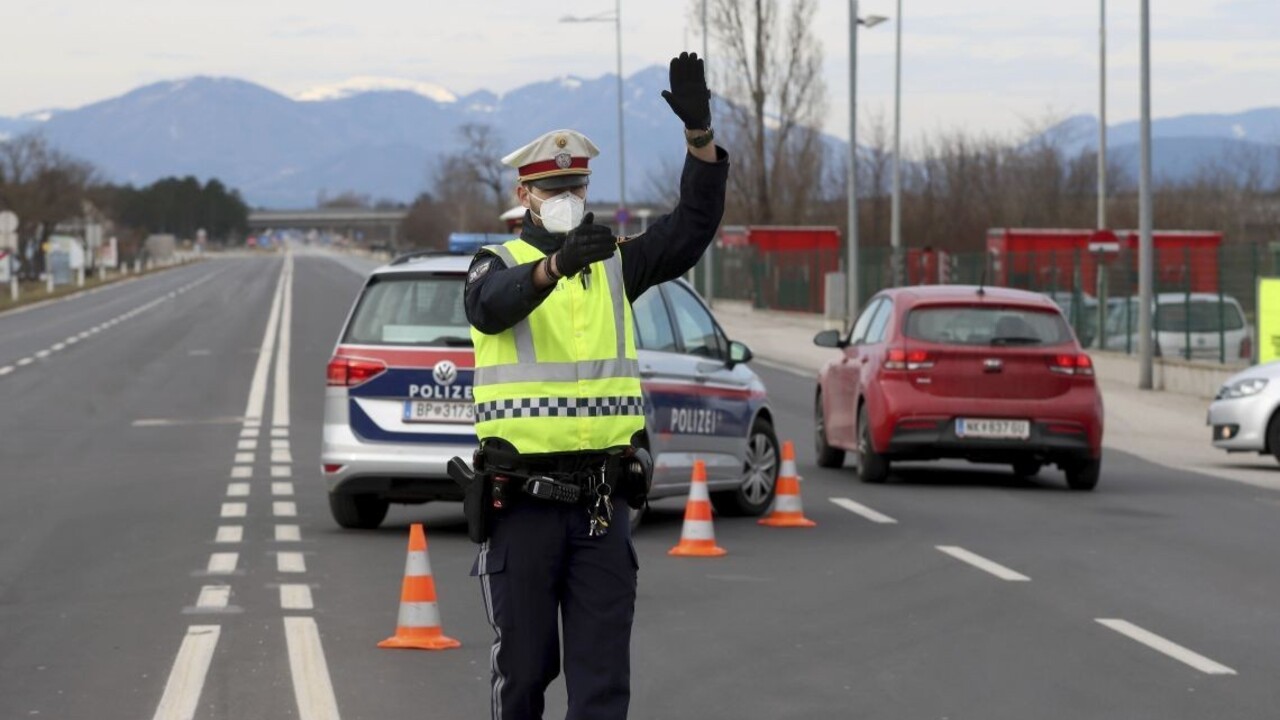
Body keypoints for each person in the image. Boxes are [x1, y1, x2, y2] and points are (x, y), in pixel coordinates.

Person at [461, 51, 727, 720]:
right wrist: (551, 268)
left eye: (575, 186)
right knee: (523, 674)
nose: (565, 198)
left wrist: (699, 139)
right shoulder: (494, 262)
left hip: (600, 508)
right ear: (524, 195)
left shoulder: (614, 265)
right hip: (521, 508)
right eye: (552, 188)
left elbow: (691, 229)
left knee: (603, 682)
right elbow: (489, 307)